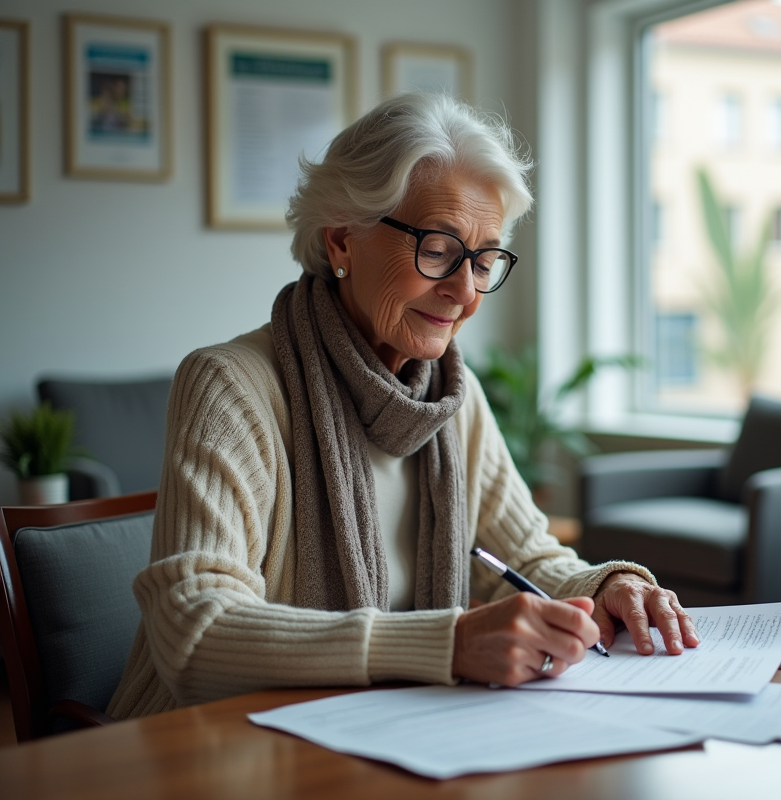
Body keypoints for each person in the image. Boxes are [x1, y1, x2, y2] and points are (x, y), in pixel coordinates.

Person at [108, 93, 699, 719]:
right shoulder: (231, 386)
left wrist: (608, 587)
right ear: (341, 242)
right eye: (439, 249)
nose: (464, 291)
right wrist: (447, 644)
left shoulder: (452, 397)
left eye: (484, 259)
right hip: (198, 749)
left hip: (379, 736)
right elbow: (195, 635)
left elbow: (524, 562)